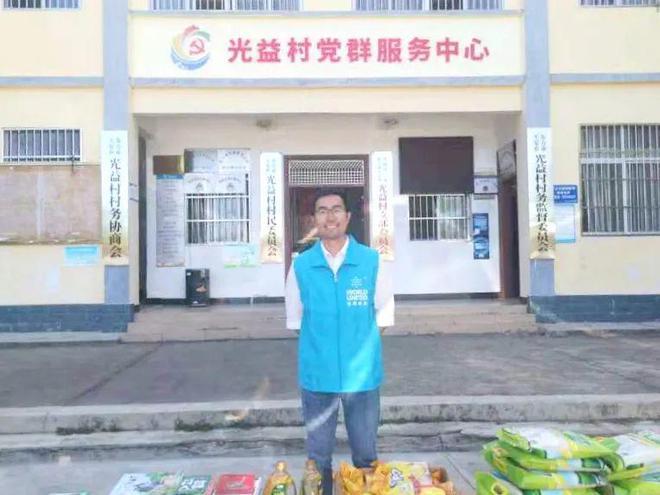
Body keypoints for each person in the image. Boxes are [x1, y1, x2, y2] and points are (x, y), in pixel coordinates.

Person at [285, 189, 394, 495]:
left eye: (336, 209)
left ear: (347, 217)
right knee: (318, 458)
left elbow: (384, 316)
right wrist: (325, 351)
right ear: (314, 219)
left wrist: (355, 351)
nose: (329, 216)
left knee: (366, 457)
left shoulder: (371, 261)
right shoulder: (301, 266)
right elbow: (297, 322)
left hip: (362, 378)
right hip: (318, 378)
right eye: (322, 210)